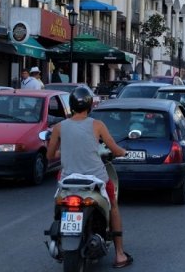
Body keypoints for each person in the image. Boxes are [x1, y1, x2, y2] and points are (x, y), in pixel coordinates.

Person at [46, 87, 132, 269]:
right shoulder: (97, 125)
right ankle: (119, 254)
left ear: (71, 105)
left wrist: (65, 151)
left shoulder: (59, 127)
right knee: (113, 206)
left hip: (68, 182)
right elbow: (114, 149)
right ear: (90, 106)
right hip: (95, 180)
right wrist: (123, 152)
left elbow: (50, 155)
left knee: (59, 202)